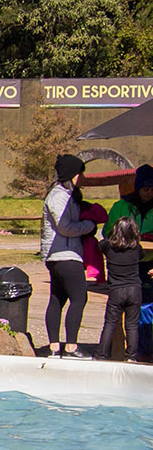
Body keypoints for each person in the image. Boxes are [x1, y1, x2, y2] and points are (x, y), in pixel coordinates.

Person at [40, 154, 96, 358]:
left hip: (60, 255)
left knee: (57, 298)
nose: (82, 177)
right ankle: (71, 347)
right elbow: (64, 226)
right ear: (71, 174)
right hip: (64, 254)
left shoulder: (67, 194)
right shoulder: (59, 196)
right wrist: (88, 226)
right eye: (80, 173)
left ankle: (54, 347)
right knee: (79, 297)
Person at [106, 165, 153, 358]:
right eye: (146, 189)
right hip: (129, 264)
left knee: (148, 307)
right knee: (132, 310)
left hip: (150, 263)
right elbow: (108, 232)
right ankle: (135, 351)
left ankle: (146, 349)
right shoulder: (122, 206)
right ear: (138, 188)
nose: (149, 193)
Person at [96, 218, 143, 362]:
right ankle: (131, 357)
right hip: (134, 288)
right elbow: (141, 256)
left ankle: (101, 355)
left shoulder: (108, 246)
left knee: (110, 323)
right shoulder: (137, 249)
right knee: (132, 325)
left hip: (116, 289)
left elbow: (100, 243)